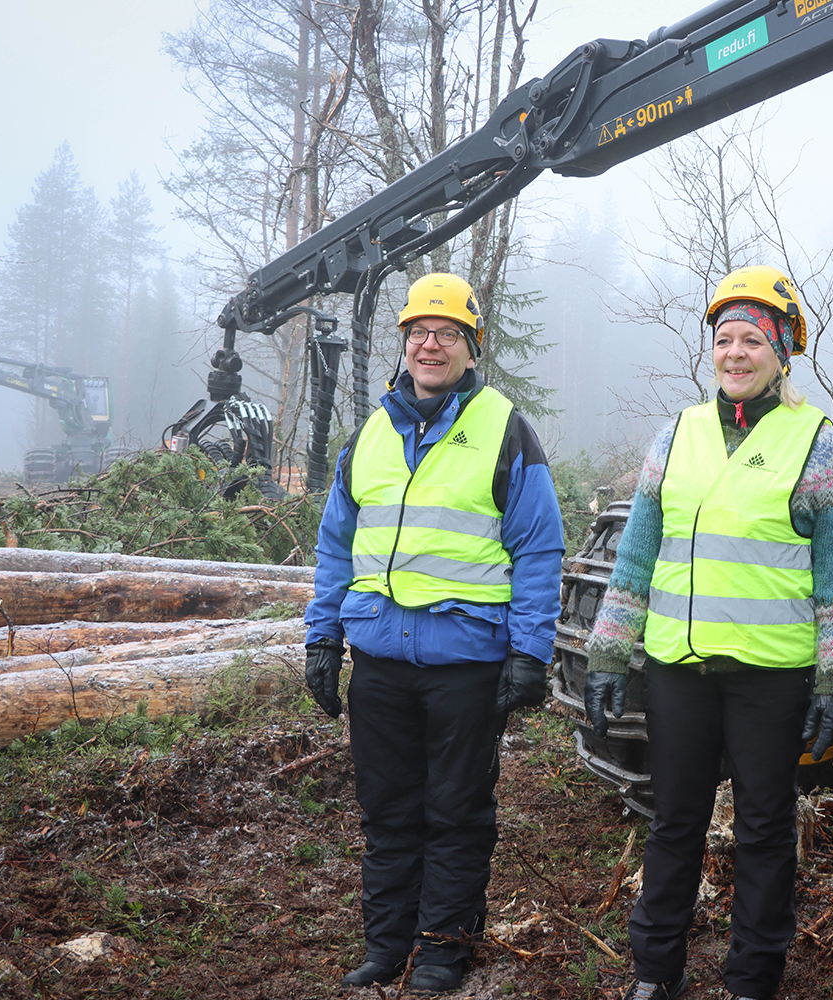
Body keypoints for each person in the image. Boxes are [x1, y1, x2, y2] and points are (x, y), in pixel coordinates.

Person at [583, 265, 833, 1000]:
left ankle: (752, 979)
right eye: (724, 339)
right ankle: (654, 973)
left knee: (766, 831)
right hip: (679, 670)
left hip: (769, 678)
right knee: (673, 820)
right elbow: (636, 560)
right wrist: (610, 652)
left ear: (782, 353)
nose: (735, 354)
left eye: (752, 341)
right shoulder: (674, 436)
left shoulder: (819, 446)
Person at [303, 272, 564, 993]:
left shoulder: (506, 430)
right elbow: (336, 544)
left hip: (466, 665)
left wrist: (529, 653)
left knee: (455, 810)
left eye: (447, 333)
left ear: (471, 348)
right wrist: (322, 639)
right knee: (387, 810)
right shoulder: (372, 433)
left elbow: (539, 550)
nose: (430, 344)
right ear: (404, 345)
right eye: (418, 332)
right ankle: (387, 946)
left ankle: (443, 947)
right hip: (380, 662)